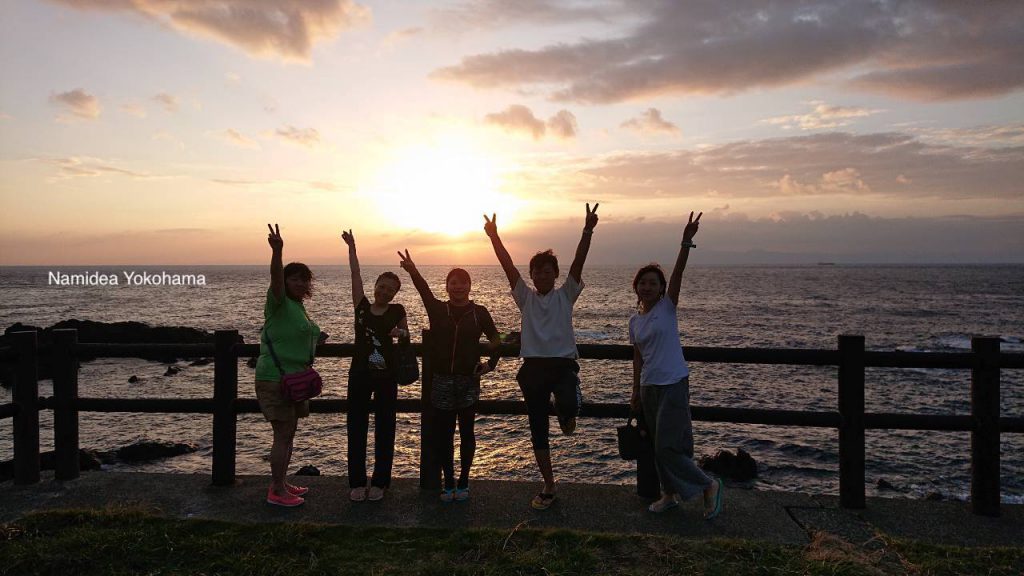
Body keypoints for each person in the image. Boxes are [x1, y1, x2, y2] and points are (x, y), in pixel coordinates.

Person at [483, 203, 598, 510]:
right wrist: (494, 237)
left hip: (562, 367)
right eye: (537, 271)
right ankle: (548, 483)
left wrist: (587, 230)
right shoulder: (525, 298)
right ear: (532, 275)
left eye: (548, 271)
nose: (542, 275)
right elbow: (508, 267)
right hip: (532, 368)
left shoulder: (565, 295)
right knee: (537, 429)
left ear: (555, 275)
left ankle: (569, 408)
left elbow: (578, 262)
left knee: (569, 405)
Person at [629, 211, 723, 519]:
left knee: (667, 446)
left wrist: (685, 241)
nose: (647, 287)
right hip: (648, 387)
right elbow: (638, 356)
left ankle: (708, 484)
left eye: (652, 283)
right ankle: (669, 494)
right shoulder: (635, 320)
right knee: (658, 445)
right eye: (642, 283)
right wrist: (634, 391)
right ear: (636, 287)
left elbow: (679, 272)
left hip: (672, 383)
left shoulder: (668, 308)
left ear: (661, 288)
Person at [397, 250, 502, 502]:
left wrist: (491, 364)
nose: (458, 287)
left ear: (469, 285)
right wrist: (412, 270)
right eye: (453, 282)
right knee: (444, 434)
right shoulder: (437, 309)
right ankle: (449, 482)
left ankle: (464, 480)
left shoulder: (479, 312)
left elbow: (498, 339)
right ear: (446, 286)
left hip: (468, 381)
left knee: (467, 432)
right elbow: (423, 290)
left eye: (463, 282)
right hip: (441, 380)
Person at [342, 229, 408, 503]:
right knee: (355, 427)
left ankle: (380, 482)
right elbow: (355, 275)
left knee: (385, 428)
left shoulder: (398, 310)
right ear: (375, 286)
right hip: (359, 374)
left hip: (386, 376)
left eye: (389, 289)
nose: (384, 291)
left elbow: (406, 334)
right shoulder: (362, 307)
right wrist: (353, 248)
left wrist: (399, 334)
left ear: (394, 294)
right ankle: (357, 482)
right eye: (381, 286)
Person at [255, 223, 319, 507]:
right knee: (282, 434)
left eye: (305, 280)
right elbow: (275, 281)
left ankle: (281, 483)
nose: (301, 284)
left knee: (288, 433)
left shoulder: (297, 307)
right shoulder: (278, 302)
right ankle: (276, 492)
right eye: (295, 279)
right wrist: (278, 252)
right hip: (275, 378)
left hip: (294, 380)